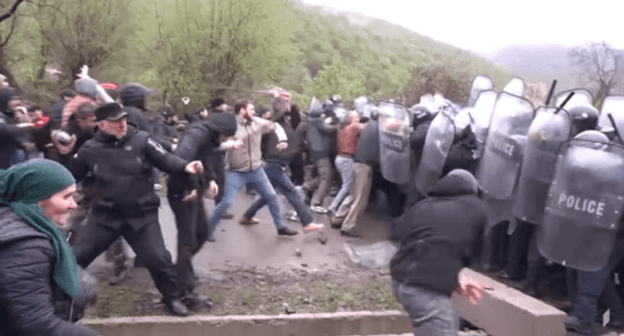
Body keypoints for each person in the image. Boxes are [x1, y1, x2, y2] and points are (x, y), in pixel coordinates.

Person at [64, 102, 204, 316]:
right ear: (101, 125)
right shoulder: (90, 149)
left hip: (141, 216)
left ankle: (172, 298)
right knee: (74, 258)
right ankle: (63, 302)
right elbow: (69, 176)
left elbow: (165, 159)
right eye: (115, 122)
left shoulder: (141, 140)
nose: (122, 124)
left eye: (123, 119)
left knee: (159, 260)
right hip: (105, 217)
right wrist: (63, 156)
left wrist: (186, 166)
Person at [0, 159, 99, 336]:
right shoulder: (25, 247)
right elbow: (37, 325)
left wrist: (82, 282)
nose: (73, 205)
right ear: (37, 199)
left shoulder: (32, 229)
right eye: (66, 197)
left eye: (74, 196)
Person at [390, 169, 490, 335]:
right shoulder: (476, 208)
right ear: (473, 189)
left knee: (448, 320)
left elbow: (399, 232)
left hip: (399, 281)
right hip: (425, 288)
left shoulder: (423, 205)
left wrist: (455, 280)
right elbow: (468, 250)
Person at [167, 112, 237, 307]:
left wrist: (212, 178)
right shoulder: (196, 133)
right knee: (187, 240)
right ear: (220, 131)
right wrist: (190, 186)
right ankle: (184, 291)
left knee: (203, 232)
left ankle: (180, 271)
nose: (227, 139)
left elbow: (205, 158)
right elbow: (181, 159)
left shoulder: (208, 138)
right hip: (182, 190)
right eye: (227, 135)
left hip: (195, 188)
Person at [208, 99, 299, 238]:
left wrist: (282, 140)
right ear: (242, 111)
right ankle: (208, 230)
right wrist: (232, 144)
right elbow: (216, 145)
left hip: (256, 169)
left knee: (271, 195)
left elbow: (275, 126)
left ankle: (280, 227)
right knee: (226, 203)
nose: (254, 112)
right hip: (237, 171)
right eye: (251, 109)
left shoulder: (257, 122)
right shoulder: (230, 125)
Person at [240, 96, 324, 233]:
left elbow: (296, 116)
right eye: (287, 105)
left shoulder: (286, 123)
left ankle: (247, 215)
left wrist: (288, 101)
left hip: (274, 164)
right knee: (292, 193)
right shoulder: (273, 124)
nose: (289, 107)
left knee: (269, 195)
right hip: (274, 165)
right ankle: (307, 222)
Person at [328, 110, 363, 214]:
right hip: (346, 159)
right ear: (350, 119)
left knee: (350, 186)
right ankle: (333, 206)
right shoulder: (353, 127)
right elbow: (365, 127)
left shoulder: (342, 129)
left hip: (339, 159)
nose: (358, 119)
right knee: (347, 186)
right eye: (355, 117)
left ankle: (346, 209)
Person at [307, 103, 338, 213]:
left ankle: (307, 186)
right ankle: (316, 203)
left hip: (316, 153)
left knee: (324, 176)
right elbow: (327, 129)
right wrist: (337, 126)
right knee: (327, 177)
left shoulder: (310, 121)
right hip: (321, 154)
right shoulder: (316, 121)